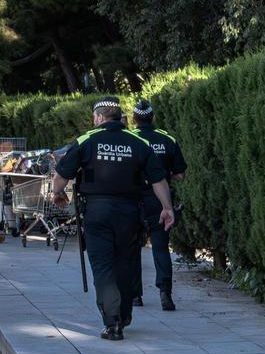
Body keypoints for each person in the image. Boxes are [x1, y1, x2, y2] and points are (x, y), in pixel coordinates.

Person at [51, 98, 174, 341]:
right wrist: (167, 207)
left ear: (98, 118)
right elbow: (158, 179)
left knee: (103, 266)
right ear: (120, 118)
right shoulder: (138, 142)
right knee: (125, 263)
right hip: (129, 213)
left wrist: (56, 194)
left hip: (97, 213)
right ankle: (124, 315)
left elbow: (61, 175)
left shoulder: (86, 140)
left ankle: (113, 322)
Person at [129, 99, 187, 310]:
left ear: (134, 119)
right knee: (161, 248)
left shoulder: (129, 139)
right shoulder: (167, 139)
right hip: (161, 200)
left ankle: (135, 295)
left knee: (133, 247)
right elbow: (180, 174)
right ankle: (165, 294)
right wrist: (165, 174)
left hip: (134, 199)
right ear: (153, 117)